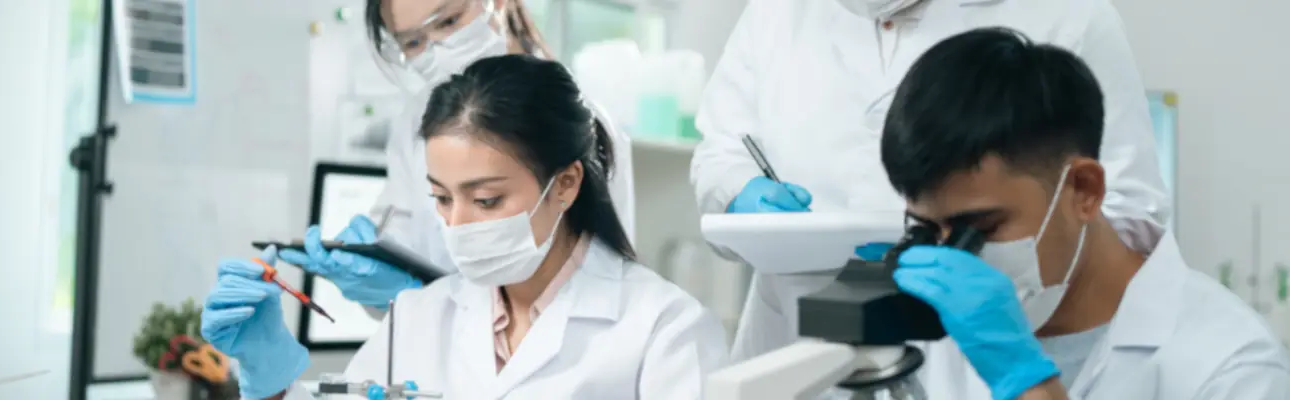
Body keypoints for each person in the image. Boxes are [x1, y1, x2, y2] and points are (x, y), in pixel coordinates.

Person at [201, 55, 725, 400]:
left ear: (565, 184)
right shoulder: (420, 316)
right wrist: (270, 375)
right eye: (441, 198)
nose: (458, 224)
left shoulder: (665, 329)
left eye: (486, 199)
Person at [691, 0, 1173, 362]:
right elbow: (722, 152)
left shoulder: (1066, 14)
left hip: (986, 344)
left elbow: (1128, 210)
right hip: (796, 333)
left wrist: (982, 256)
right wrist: (737, 193)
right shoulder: (778, 11)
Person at [879, 27, 1289, 399]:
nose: (955, 263)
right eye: (928, 230)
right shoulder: (934, 334)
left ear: (1084, 190)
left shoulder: (1232, 367)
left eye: (980, 228)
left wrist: (1025, 380)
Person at [277, 0, 636, 312]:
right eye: (413, 42)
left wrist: (436, 306)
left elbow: (594, 296)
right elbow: (407, 251)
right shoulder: (415, 124)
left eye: (448, 21)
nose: (436, 48)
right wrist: (373, 271)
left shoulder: (573, 118)